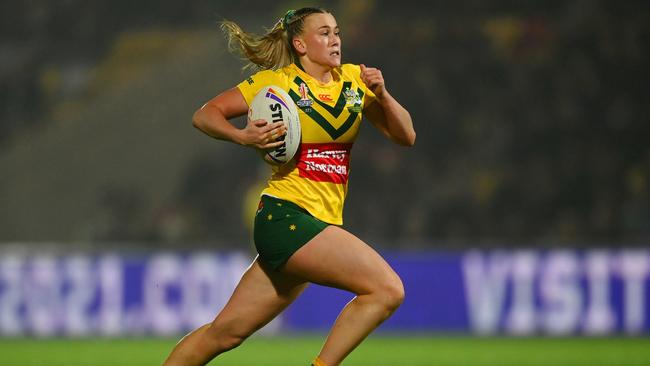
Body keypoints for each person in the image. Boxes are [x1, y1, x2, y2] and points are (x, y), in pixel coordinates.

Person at [163, 7, 415, 366]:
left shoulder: (356, 81)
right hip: (286, 216)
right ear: (300, 43)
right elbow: (205, 114)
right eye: (324, 33)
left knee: (224, 334)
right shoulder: (277, 84)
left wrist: (383, 94)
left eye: (337, 32)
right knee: (386, 289)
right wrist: (242, 136)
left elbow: (405, 135)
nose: (335, 40)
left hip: (313, 223)